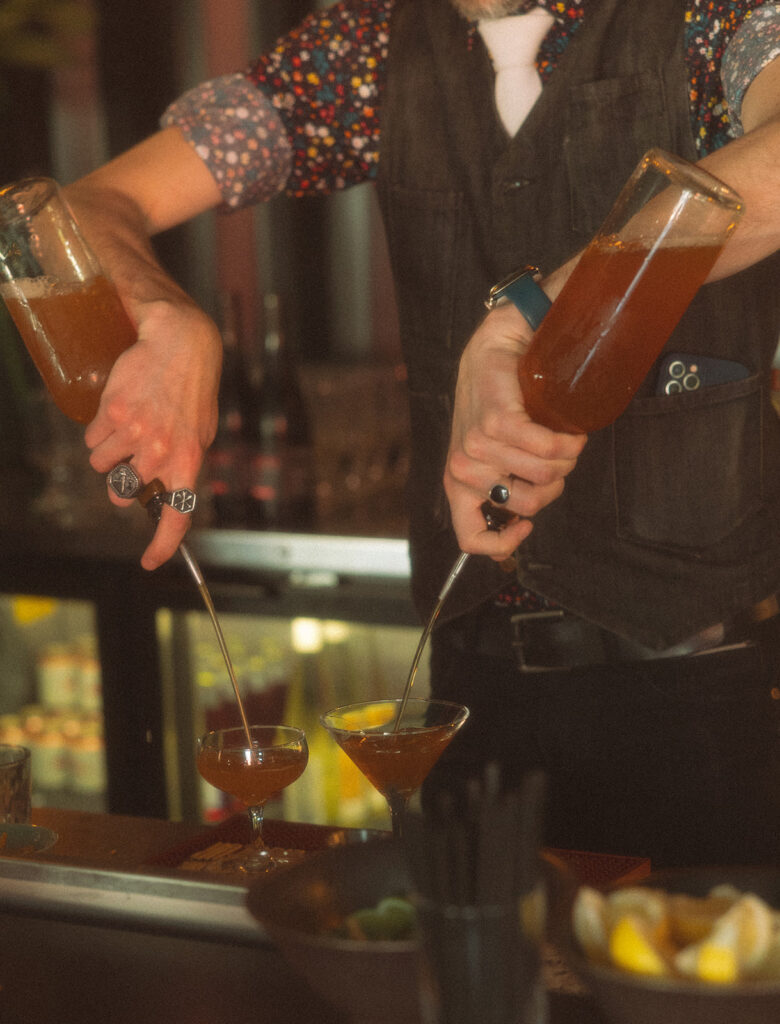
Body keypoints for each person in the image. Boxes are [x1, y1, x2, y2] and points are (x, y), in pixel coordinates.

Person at [63, 0, 780, 865]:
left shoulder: (714, 18)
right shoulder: (368, 47)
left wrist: (531, 319)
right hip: (472, 691)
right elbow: (90, 205)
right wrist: (164, 312)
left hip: (703, 688)